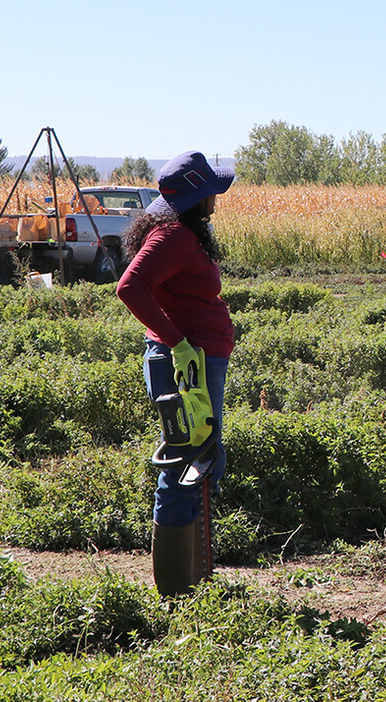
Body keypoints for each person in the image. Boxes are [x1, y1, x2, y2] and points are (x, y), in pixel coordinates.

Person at [116, 151, 235, 597]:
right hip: (187, 368)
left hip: (196, 365)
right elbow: (129, 287)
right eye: (210, 195)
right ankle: (177, 593)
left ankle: (197, 583)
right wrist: (179, 342)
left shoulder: (179, 233)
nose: (215, 203)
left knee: (201, 458)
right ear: (197, 199)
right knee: (187, 462)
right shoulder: (173, 238)